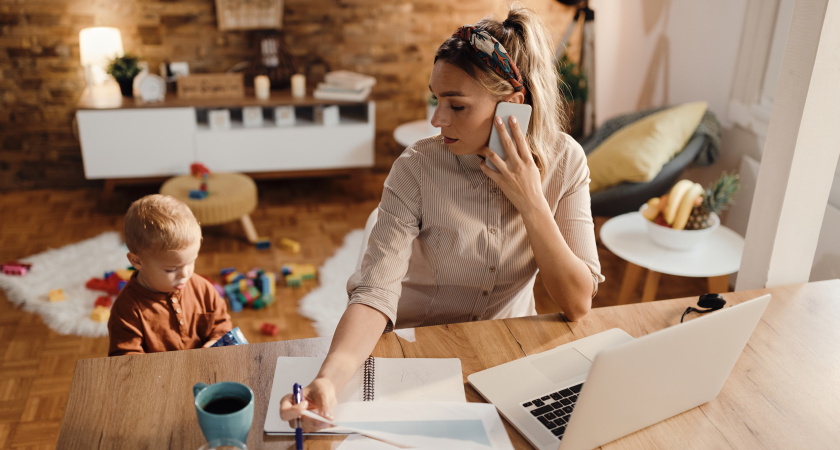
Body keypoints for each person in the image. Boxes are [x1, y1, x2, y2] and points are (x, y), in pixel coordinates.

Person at [280, 6, 603, 429]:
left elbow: (577, 303)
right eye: (437, 99)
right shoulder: (416, 168)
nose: (437, 119)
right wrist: (328, 379)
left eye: (457, 105)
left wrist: (531, 202)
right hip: (416, 351)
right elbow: (375, 294)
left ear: (512, 107)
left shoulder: (566, 162)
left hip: (505, 354)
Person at [108, 194, 232, 356]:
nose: (185, 274)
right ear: (137, 261)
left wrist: (216, 341)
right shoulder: (127, 310)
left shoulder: (203, 289)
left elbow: (221, 324)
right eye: (171, 269)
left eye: (191, 262)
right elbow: (125, 358)